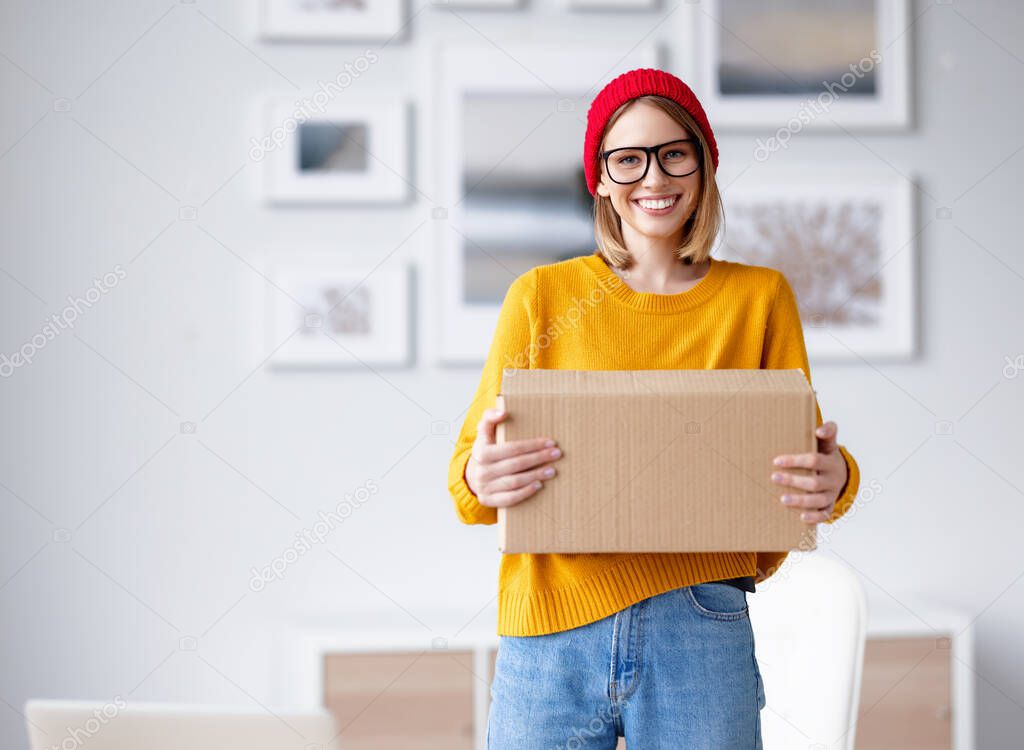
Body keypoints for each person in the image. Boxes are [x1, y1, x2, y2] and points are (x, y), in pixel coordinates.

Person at [446, 67, 861, 749]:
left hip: (699, 623)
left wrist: (837, 477)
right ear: (601, 179)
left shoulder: (758, 299)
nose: (654, 177)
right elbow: (466, 483)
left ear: (703, 166)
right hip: (551, 625)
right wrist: (480, 478)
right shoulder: (540, 298)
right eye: (628, 159)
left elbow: (799, 459)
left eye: (675, 153)